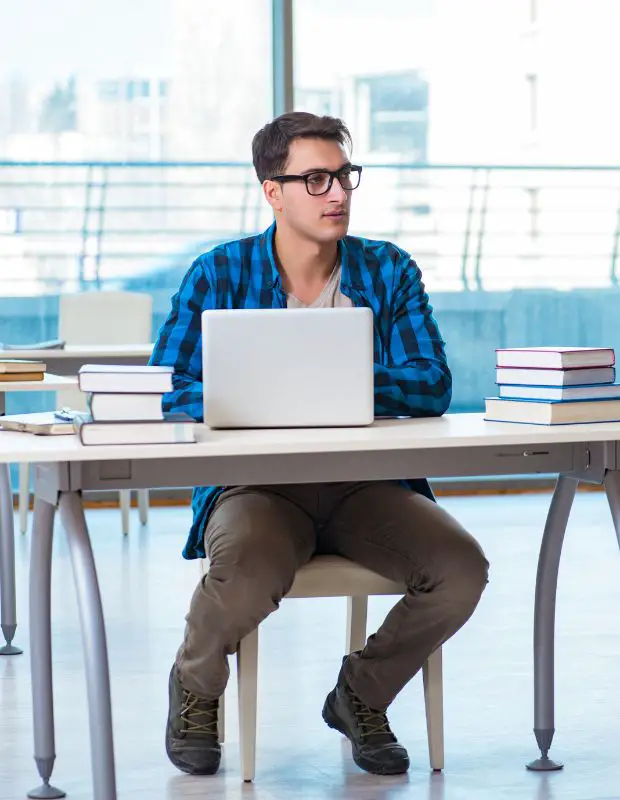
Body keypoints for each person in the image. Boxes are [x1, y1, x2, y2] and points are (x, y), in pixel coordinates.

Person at [150, 111, 489, 778]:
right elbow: (168, 387)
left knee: (460, 571)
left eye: (343, 176)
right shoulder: (218, 272)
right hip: (256, 486)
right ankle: (195, 685)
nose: (337, 193)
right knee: (245, 570)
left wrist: (327, 385)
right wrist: (255, 399)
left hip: (368, 485)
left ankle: (358, 695)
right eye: (315, 179)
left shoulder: (388, 269)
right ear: (273, 191)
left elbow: (432, 384)